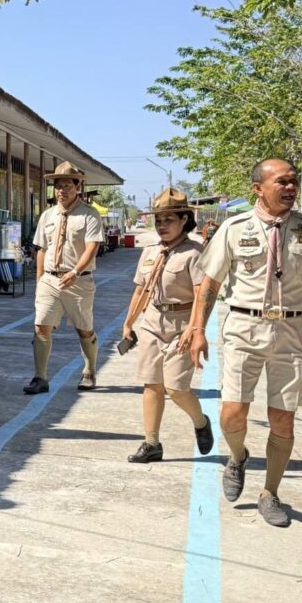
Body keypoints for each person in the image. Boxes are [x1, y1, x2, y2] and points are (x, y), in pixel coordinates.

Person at [185, 159, 302, 527]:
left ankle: (270, 493)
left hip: (292, 331)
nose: (290, 187)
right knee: (232, 413)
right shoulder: (233, 229)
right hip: (244, 327)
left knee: (283, 419)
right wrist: (197, 330)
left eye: (293, 181)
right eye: (282, 182)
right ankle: (238, 456)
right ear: (258, 188)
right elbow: (210, 284)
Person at [122, 189, 214, 463]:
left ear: (184, 220)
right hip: (153, 321)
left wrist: (195, 329)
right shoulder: (151, 252)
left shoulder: (195, 253)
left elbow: (201, 295)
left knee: (176, 387)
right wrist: (129, 323)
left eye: (169, 220)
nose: (162, 226)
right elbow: (141, 290)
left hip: (182, 323)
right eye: (158, 220)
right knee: (152, 383)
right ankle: (151, 443)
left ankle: (200, 422)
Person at [25, 161, 105, 394]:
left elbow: (92, 247)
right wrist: (40, 280)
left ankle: (89, 372)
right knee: (41, 327)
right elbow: (42, 249)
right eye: (58, 186)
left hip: (79, 281)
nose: (62, 190)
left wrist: (75, 272)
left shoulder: (89, 215)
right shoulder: (48, 215)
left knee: (84, 329)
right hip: (50, 280)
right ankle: (40, 378)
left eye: (67, 186)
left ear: (78, 187)